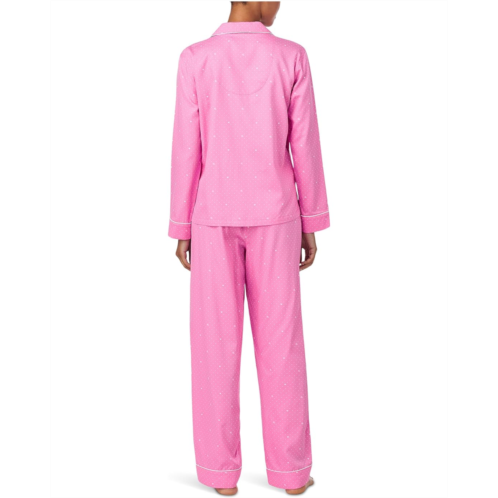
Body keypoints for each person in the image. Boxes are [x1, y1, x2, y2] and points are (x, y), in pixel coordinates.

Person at [168, 1, 329, 495]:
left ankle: (220, 474)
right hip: (277, 216)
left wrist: (182, 225)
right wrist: (311, 220)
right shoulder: (291, 57)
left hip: (212, 214)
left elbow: (187, 147)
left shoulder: (196, 58)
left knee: (213, 347)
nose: (280, 4)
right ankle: (291, 474)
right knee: (282, 345)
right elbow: (304, 143)